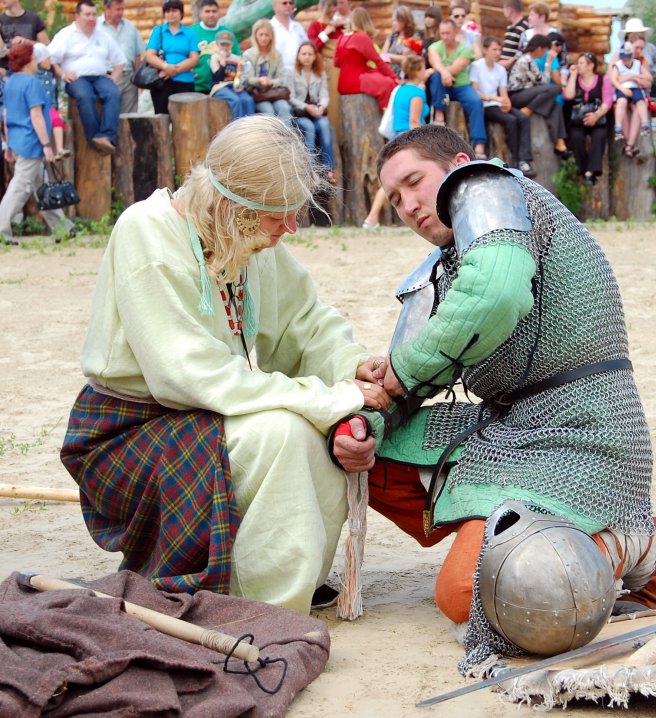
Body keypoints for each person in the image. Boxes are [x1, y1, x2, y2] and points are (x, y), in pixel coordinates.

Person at [331, 123, 656, 656]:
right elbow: (404, 384)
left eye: (415, 182)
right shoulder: (440, 268)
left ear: (458, 163)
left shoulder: (492, 191)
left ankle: (638, 539)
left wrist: (402, 374)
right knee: (355, 449)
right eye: (395, 197)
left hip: (581, 431)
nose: (407, 205)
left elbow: (494, 296)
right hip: (505, 429)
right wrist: (363, 423)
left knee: (464, 596)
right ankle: (507, 538)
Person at [59, 114, 390, 614]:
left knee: (320, 432)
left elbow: (304, 322)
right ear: (234, 207)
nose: (291, 226)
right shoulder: (145, 234)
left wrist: (352, 368)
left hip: (202, 412)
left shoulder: (245, 237)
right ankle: (259, 606)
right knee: (283, 433)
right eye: (278, 213)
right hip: (128, 433)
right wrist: (329, 399)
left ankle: (283, 589)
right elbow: (188, 376)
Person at [0, 41, 74, 246]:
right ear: (26, 61)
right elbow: (37, 116)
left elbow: (6, 115)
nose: (36, 61)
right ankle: (1, 229)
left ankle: (63, 228)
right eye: (33, 58)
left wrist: (7, 143)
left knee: (41, 186)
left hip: (17, 140)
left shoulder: (11, 82)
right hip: (31, 142)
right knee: (20, 186)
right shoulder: (31, 83)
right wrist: (46, 145)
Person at [47, 0, 124, 155]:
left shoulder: (102, 35)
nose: (91, 18)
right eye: (87, 14)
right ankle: (94, 138)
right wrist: (63, 74)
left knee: (113, 93)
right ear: (77, 16)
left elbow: (120, 60)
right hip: (77, 79)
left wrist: (114, 77)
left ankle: (107, 137)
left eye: (94, 15)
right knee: (85, 96)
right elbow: (50, 58)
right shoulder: (66, 34)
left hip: (100, 77)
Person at [363, 53, 430, 230]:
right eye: (423, 68)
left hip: (396, 139)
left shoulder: (399, 89)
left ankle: (372, 217)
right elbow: (414, 122)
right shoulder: (417, 93)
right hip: (411, 140)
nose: (425, 71)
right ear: (416, 71)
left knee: (392, 182)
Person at [470, 35, 534, 176]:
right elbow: (474, 90)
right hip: (485, 105)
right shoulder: (477, 66)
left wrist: (507, 103)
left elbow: (504, 92)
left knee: (523, 118)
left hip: (497, 103)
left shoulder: (500, 69)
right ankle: (515, 159)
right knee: (511, 121)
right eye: (494, 49)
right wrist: (493, 98)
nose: (498, 53)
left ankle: (524, 159)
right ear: (485, 50)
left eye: (499, 49)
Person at [427, 18, 487, 158]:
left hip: (461, 85)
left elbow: (458, 67)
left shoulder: (465, 49)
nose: (445, 36)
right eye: (442, 33)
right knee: (436, 77)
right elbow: (434, 61)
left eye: (447, 33)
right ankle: (439, 114)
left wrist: (443, 72)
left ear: (455, 32)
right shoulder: (434, 47)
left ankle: (479, 145)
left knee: (476, 102)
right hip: (442, 84)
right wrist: (443, 73)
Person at [507, 34, 570, 158]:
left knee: (555, 106)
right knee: (554, 88)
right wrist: (548, 63)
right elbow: (544, 81)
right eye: (545, 50)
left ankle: (559, 142)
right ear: (540, 48)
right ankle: (529, 110)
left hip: (527, 93)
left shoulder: (530, 60)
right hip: (517, 95)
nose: (546, 53)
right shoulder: (527, 60)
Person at [289, 41, 336, 185]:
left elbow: (324, 95)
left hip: (316, 111)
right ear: (298, 56)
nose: (307, 57)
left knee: (324, 125)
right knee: (309, 128)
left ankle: (329, 168)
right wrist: (306, 106)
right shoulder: (292, 73)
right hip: (300, 113)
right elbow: (290, 96)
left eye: (310, 54)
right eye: (303, 54)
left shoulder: (319, 74)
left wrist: (322, 106)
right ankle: (312, 170)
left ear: (315, 56)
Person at [334, 6, 397, 111]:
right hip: (356, 80)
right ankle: (386, 115)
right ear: (366, 21)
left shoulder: (341, 38)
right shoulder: (361, 37)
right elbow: (378, 61)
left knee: (379, 76)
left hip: (343, 83)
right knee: (388, 83)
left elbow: (336, 63)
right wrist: (394, 78)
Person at [564, 51, 612, 184]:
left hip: (597, 118)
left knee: (599, 136)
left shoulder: (603, 79)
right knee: (576, 137)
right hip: (578, 119)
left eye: (581, 63)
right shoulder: (574, 79)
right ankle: (583, 169)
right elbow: (568, 95)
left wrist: (596, 115)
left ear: (591, 65)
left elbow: (607, 101)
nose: (578, 66)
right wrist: (573, 75)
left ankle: (591, 171)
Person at [143, 0, 198, 115]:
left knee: (185, 118)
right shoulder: (158, 31)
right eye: (167, 11)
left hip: (185, 81)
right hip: (162, 82)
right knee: (161, 118)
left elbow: (194, 59)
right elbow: (149, 55)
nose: (170, 14)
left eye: (174, 10)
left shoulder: (190, 34)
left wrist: (174, 70)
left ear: (181, 13)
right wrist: (165, 66)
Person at [98, 0, 144, 114]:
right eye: (117, 9)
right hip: (107, 77)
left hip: (129, 78)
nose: (120, 13)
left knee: (129, 117)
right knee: (109, 115)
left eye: (122, 9)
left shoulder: (130, 27)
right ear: (106, 8)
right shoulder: (96, 27)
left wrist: (138, 79)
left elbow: (137, 55)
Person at [242, 18, 292, 122]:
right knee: (268, 111)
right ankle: (271, 138)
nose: (264, 38)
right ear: (255, 36)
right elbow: (247, 78)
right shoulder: (248, 55)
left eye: (267, 35)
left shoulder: (277, 55)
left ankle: (286, 137)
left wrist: (271, 82)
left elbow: (282, 78)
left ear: (271, 37)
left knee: (284, 108)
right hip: (257, 94)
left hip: (274, 93)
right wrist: (259, 81)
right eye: (261, 35)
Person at [610, 41, 650, 157]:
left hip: (635, 88)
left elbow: (648, 80)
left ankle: (634, 138)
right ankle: (623, 134)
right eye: (637, 47)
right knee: (620, 104)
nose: (639, 50)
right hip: (622, 89)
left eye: (641, 48)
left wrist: (637, 78)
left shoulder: (639, 62)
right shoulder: (617, 62)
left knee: (640, 105)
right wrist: (625, 82)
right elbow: (613, 79)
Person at [191, 0, 240, 96]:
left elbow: (237, 58)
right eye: (207, 11)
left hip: (223, 87)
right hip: (197, 86)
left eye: (214, 11)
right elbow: (184, 56)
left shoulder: (227, 33)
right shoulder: (192, 32)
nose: (211, 15)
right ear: (200, 13)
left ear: (219, 13)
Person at [209, 29, 255, 120]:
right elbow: (217, 77)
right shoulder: (214, 58)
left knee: (248, 100)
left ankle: (250, 127)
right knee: (235, 100)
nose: (225, 47)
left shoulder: (236, 58)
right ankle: (237, 127)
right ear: (217, 45)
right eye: (222, 44)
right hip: (220, 87)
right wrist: (222, 64)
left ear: (231, 45)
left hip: (234, 86)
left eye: (227, 44)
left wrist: (242, 85)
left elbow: (241, 74)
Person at [33, 43, 68, 158]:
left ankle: (59, 149)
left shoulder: (51, 74)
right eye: (47, 58)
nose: (50, 61)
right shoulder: (33, 76)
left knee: (57, 120)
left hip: (51, 107)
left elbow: (57, 92)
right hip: (40, 109)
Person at [620, 17, 656, 95]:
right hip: (625, 89)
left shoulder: (650, 48)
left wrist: (652, 72)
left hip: (645, 89)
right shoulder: (621, 51)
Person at [384, 5, 423, 77]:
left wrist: (390, 56)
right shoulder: (393, 36)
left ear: (404, 20)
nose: (393, 24)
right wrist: (397, 58)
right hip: (390, 74)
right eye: (393, 21)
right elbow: (383, 56)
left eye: (396, 21)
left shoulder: (414, 37)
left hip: (407, 75)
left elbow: (410, 59)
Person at [272, 0, 308, 74]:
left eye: (291, 3)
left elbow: (307, 47)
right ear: (275, 6)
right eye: (284, 3)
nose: (288, 5)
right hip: (278, 74)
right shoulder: (270, 27)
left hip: (299, 73)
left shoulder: (298, 27)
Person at [499, 0, 528, 70]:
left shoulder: (525, 27)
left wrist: (509, 62)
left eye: (504, 9)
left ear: (509, 10)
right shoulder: (509, 28)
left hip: (516, 70)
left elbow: (525, 49)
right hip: (505, 70)